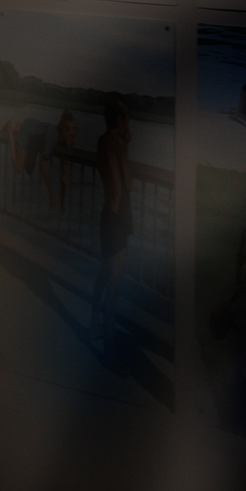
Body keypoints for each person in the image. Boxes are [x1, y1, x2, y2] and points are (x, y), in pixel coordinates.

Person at [90, 94, 134, 349]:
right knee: (115, 285)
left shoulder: (101, 141)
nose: (129, 122)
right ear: (119, 120)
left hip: (107, 215)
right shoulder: (117, 143)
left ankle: (94, 327)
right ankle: (109, 350)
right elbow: (128, 183)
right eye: (127, 118)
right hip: (118, 218)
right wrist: (126, 147)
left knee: (103, 274)